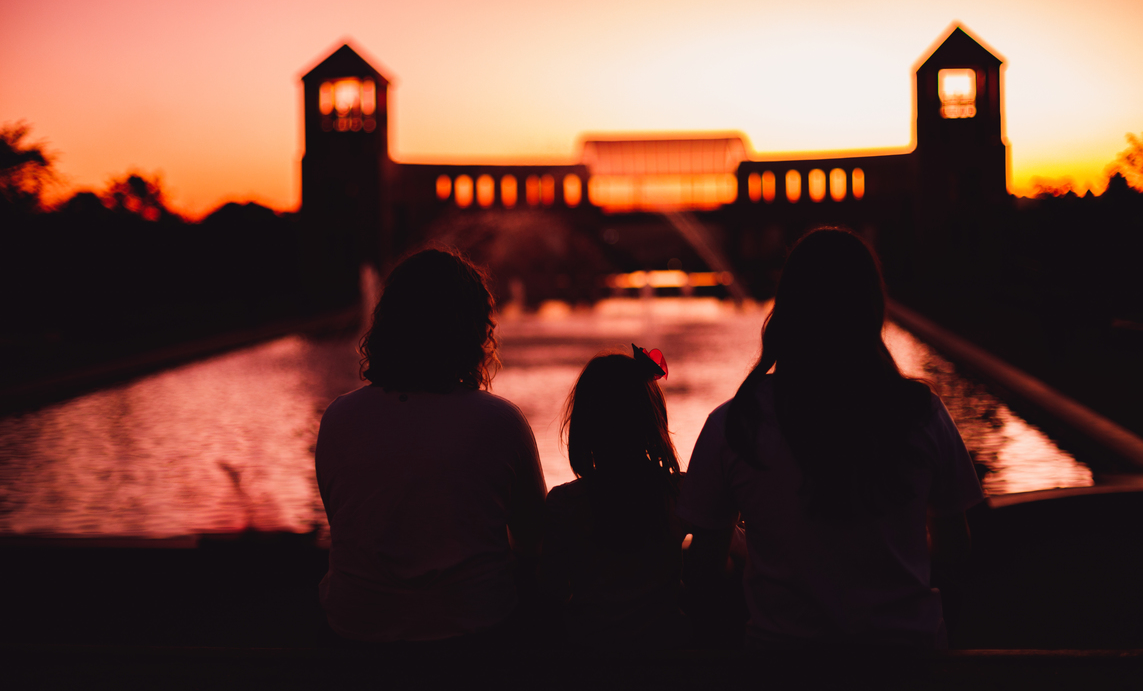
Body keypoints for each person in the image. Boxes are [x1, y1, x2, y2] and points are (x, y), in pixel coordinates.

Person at [677, 227, 984, 650]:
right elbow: (955, 550)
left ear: (787, 309)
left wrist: (760, 555)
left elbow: (705, 570)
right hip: (907, 660)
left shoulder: (734, 424)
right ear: (871, 308)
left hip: (783, 663)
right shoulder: (921, 414)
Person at [315, 248, 546, 644]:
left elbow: (349, 525)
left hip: (357, 631)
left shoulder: (339, 417)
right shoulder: (499, 421)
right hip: (475, 633)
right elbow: (535, 541)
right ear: (473, 330)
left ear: (387, 323)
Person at [539, 347, 690, 648]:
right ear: (653, 421)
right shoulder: (681, 493)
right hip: (667, 654)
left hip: (592, 656)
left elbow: (550, 592)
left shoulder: (564, 504)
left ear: (584, 425)